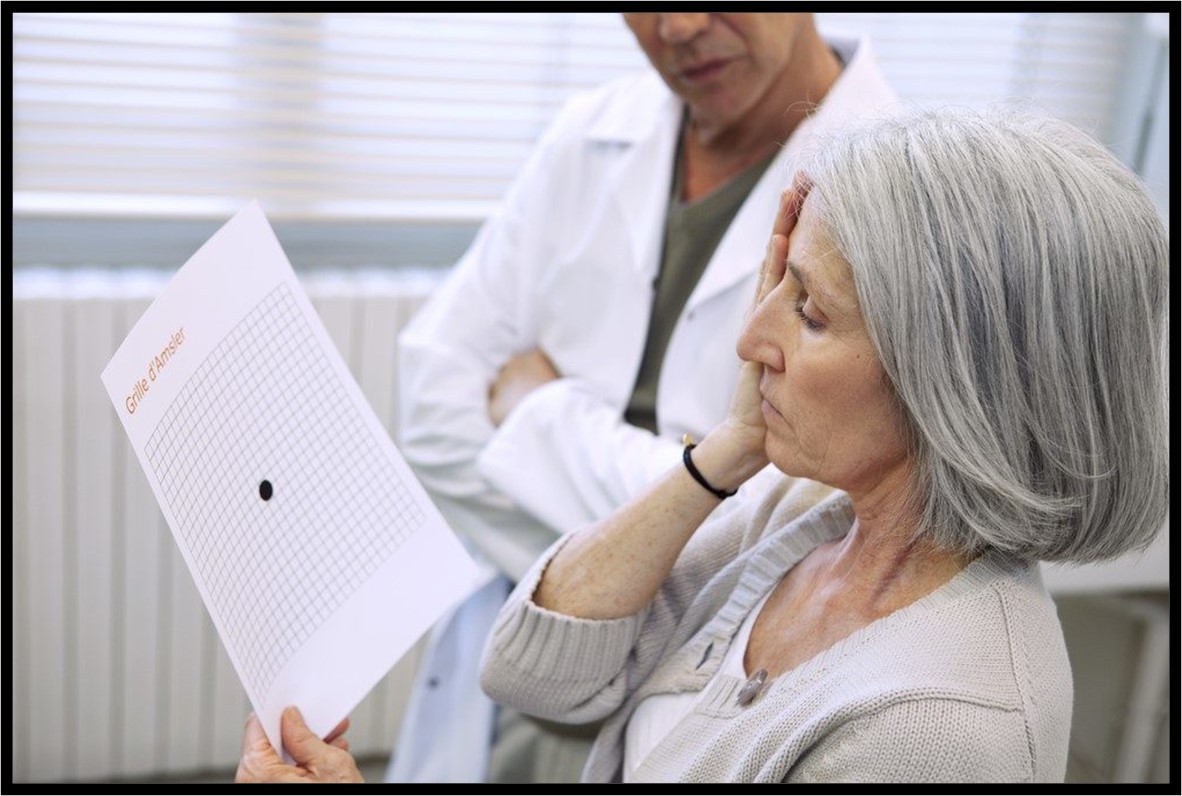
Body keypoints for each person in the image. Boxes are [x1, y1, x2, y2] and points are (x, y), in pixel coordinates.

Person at [236, 107, 1167, 783]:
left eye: (806, 309)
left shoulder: (940, 732)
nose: (751, 338)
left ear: (952, 381)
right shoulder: (806, 512)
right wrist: (724, 448)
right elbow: (531, 671)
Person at [388, 13, 896, 783]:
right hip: (514, 688)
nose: (680, 26)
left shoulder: (906, 198)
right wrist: (689, 504)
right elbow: (431, 410)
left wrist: (537, 411)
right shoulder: (588, 134)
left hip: (702, 721)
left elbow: (812, 531)